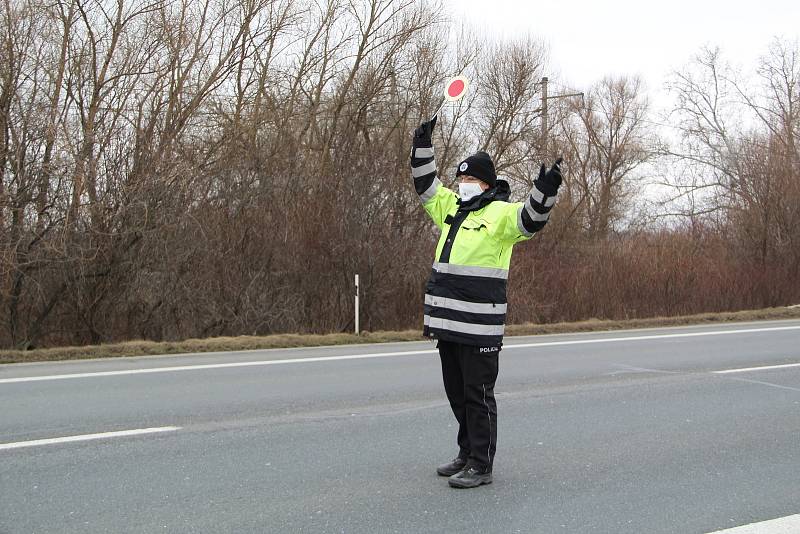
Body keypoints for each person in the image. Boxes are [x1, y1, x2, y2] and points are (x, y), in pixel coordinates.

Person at [409, 116, 563, 488]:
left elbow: (531, 218)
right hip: (447, 324)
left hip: (479, 325)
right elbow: (426, 185)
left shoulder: (500, 214)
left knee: (478, 396)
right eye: (460, 179)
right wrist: (422, 143)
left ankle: (481, 463)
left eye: (470, 180)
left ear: (487, 184)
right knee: (457, 394)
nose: (462, 185)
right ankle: (466, 452)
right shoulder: (450, 207)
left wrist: (545, 189)